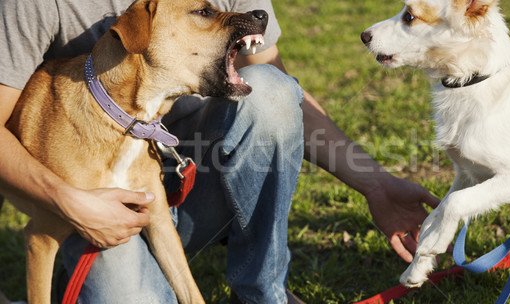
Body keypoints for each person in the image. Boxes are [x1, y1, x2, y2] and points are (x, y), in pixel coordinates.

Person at [0, 0, 440, 303]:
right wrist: (66, 201)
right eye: (204, 12)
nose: (230, 16)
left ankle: (263, 291)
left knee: (270, 90)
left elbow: (283, 100)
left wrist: (375, 183)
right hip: (85, 201)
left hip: (187, 172)